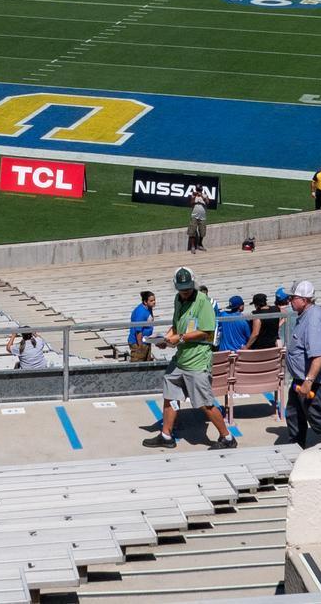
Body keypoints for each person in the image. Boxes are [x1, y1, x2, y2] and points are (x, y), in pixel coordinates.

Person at [142, 268, 233, 450]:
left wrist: (181, 338)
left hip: (197, 360)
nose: (184, 291)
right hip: (181, 358)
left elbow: (206, 332)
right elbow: (176, 326)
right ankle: (166, 435)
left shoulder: (203, 302)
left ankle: (227, 438)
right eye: (181, 288)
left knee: (204, 403)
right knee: (170, 395)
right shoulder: (178, 299)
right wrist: (166, 340)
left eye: (187, 288)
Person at [282, 281, 321, 450]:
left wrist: (308, 382)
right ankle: (295, 448)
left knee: (315, 416)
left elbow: (319, 356)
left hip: (313, 383)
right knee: (294, 414)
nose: (290, 301)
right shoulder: (306, 315)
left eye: (293, 298)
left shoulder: (313, 320)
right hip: (301, 380)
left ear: (304, 300)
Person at [126, 291, 156, 362]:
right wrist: (140, 346)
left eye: (154, 300)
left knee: (147, 364)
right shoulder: (141, 312)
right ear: (145, 302)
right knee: (137, 365)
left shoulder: (148, 308)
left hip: (146, 341)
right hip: (138, 343)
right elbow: (138, 331)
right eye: (151, 301)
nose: (154, 302)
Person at [186, 188, 209, 253]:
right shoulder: (193, 196)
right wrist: (194, 196)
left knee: (202, 232)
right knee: (192, 231)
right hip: (194, 216)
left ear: (201, 190)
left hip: (202, 217)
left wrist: (201, 196)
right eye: (197, 190)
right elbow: (191, 203)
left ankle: (199, 244)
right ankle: (193, 246)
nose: (198, 191)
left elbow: (207, 202)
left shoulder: (205, 195)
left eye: (199, 190)